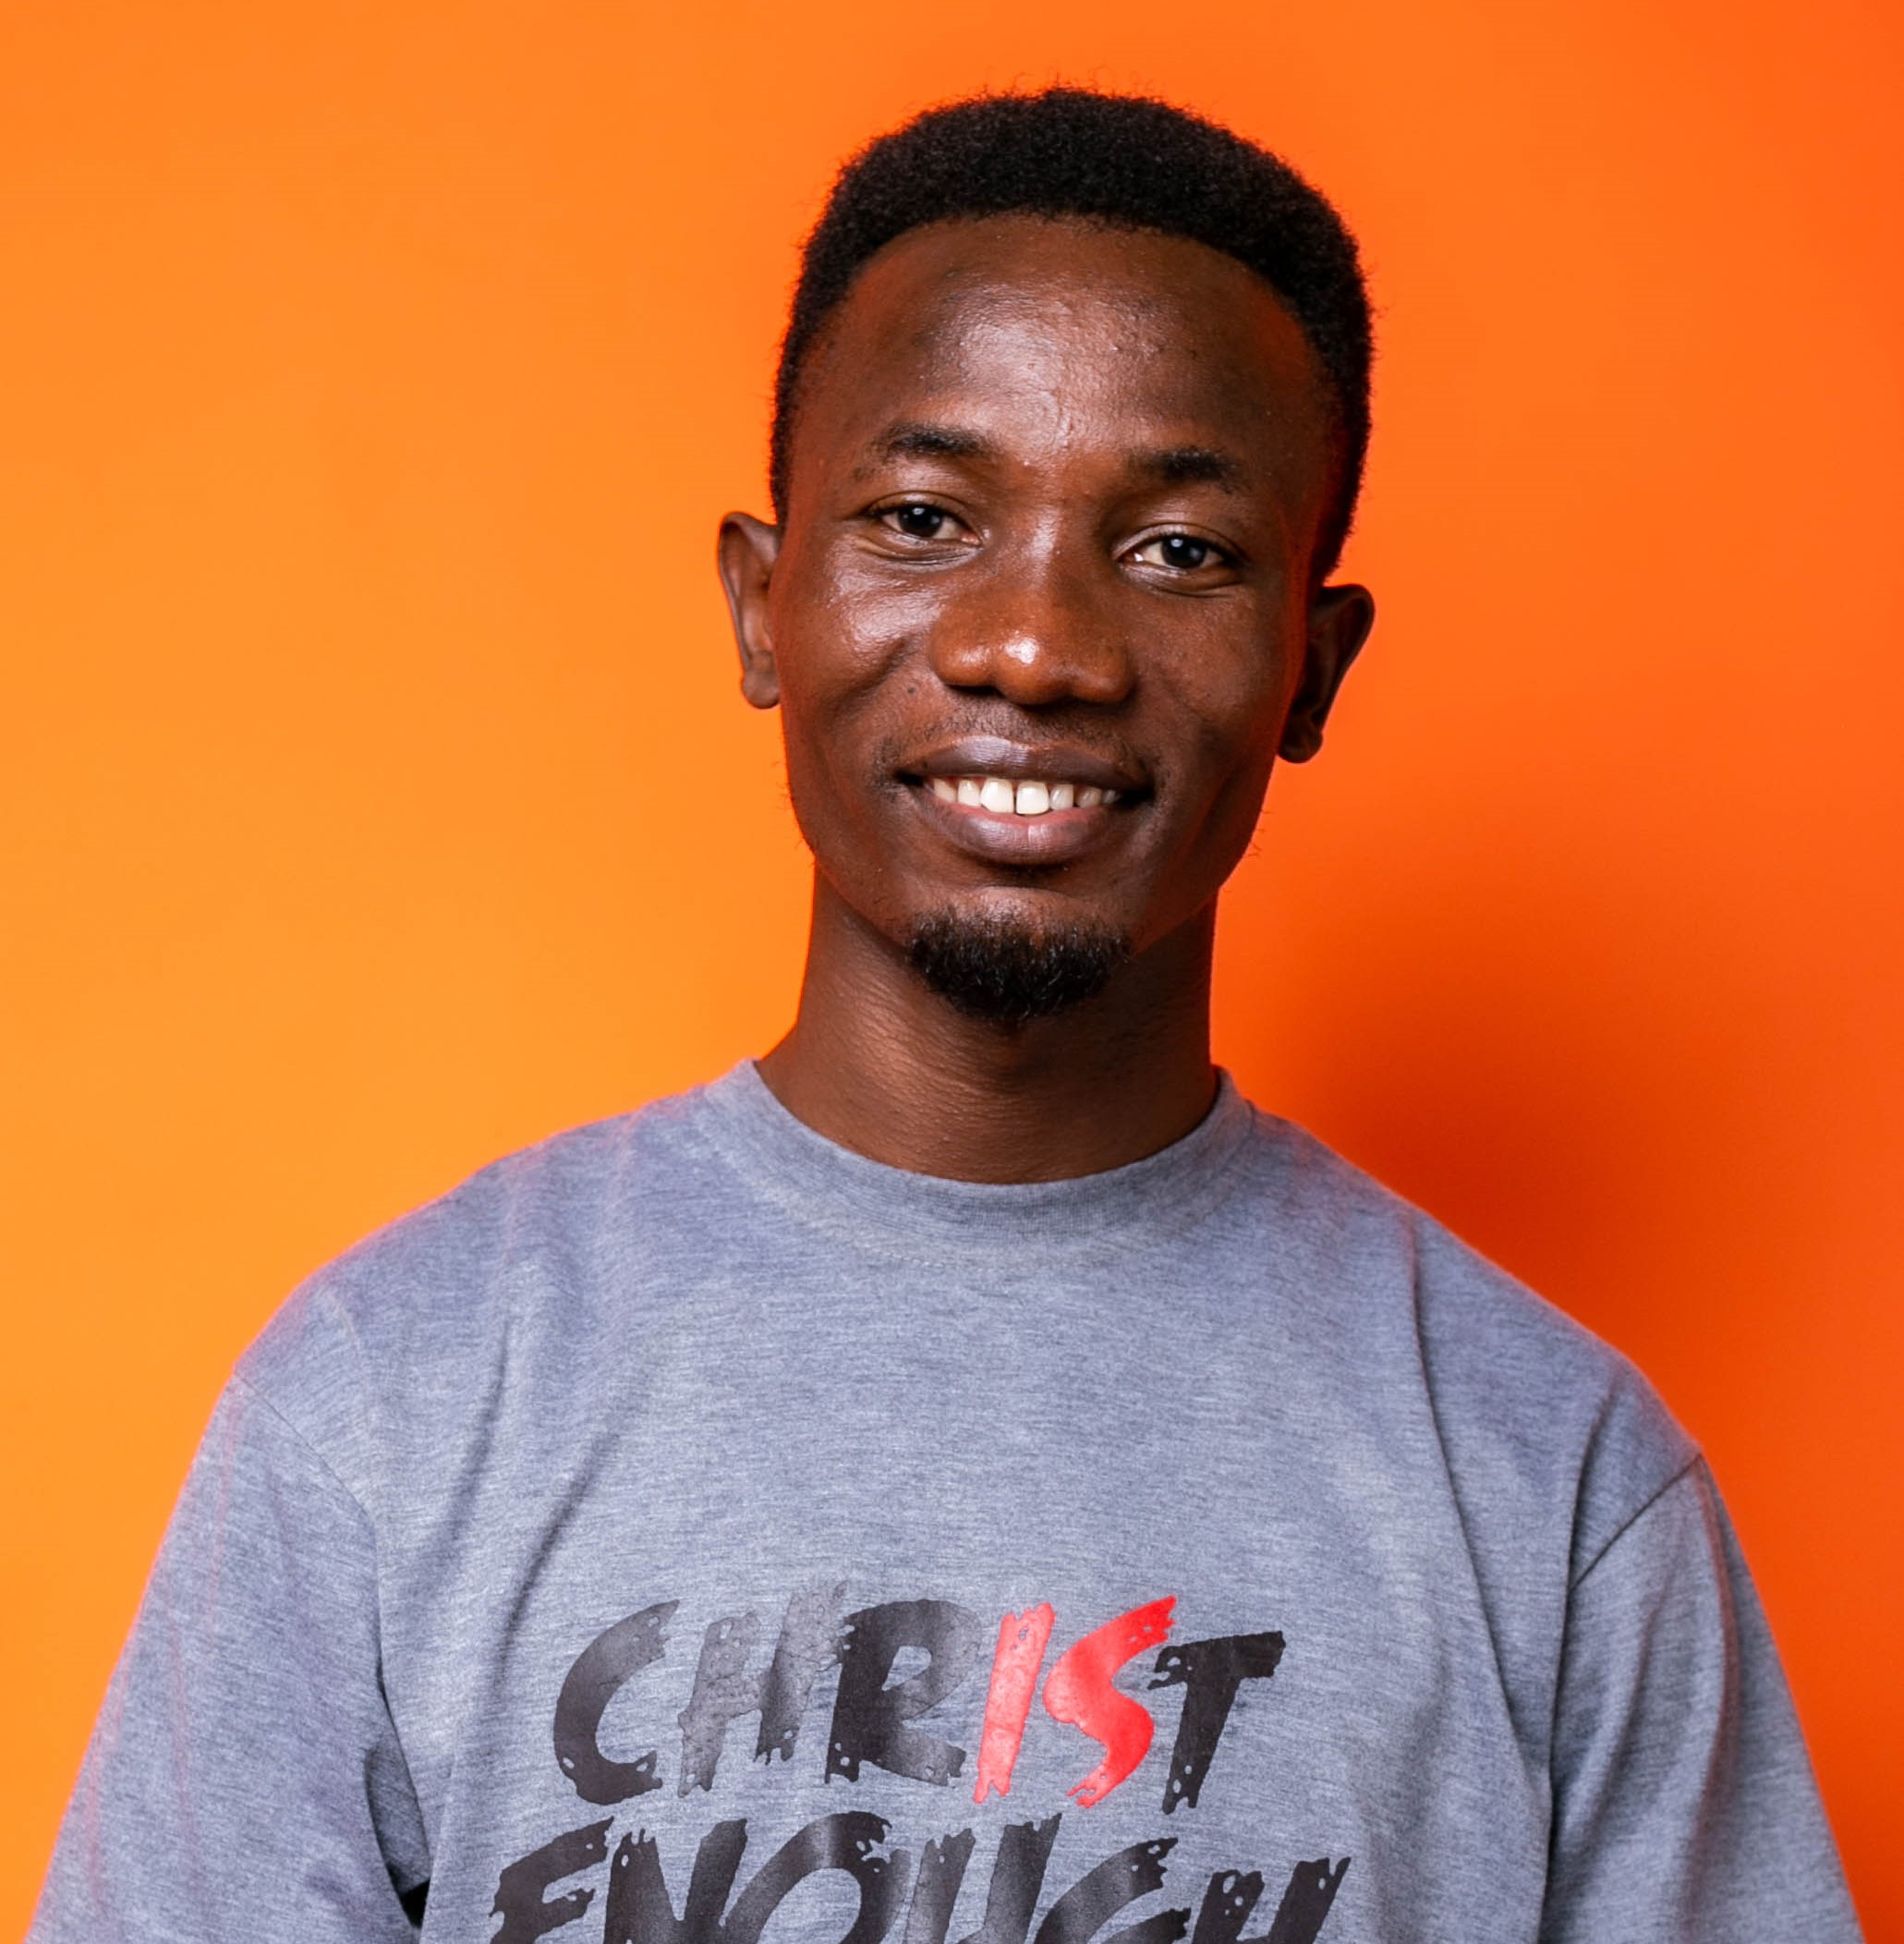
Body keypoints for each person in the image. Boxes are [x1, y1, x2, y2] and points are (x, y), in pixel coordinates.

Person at [31, 88, 1860, 1944]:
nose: (1034, 647)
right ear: (762, 604)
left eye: (1175, 550)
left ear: (1309, 660)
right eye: (922, 517)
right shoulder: (394, 1393)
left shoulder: (1550, 1480)